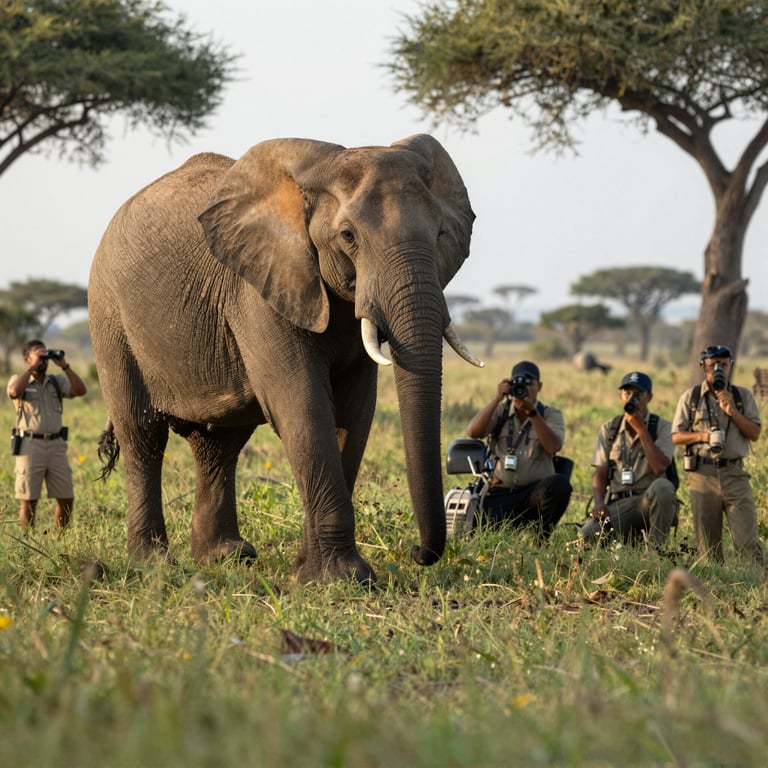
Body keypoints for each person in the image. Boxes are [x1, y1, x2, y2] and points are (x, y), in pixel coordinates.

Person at [671, 345, 764, 566]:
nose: (719, 368)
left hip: (735, 474)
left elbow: (755, 433)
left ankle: (758, 587)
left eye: (724, 363)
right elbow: (676, 436)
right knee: (708, 548)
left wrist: (732, 410)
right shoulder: (691, 397)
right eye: (713, 364)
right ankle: (715, 589)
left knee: (747, 542)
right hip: (702, 475)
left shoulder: (742, 396)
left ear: (730, 366)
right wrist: (702, 436)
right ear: (703, 366)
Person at [466, 360, 571, 539]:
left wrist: (532, 413)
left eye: (529, 382)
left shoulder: (550, 414)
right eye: (517, 382)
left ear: (540, 386)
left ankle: (541, 538)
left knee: (559, 485)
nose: (523, 387)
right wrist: (497, 398)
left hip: (534, 496)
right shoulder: (501, 411)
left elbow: (553, 446)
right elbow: (473, 432)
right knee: (478, 531)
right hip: (500, 492)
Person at [579, 371, 677, 547]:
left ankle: (656, 552)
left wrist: (641, 430)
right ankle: (627, 541)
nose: (632, 398)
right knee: (586, 537)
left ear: (650, 397)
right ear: (620, 396)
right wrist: (599, 503)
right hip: (619, 503)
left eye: (638, 394)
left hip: (648, 500)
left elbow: (660, 467)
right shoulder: (610, 429)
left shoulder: (662, 427)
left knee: (663, 486)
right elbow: (600, 474)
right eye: (627, 393)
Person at [7, 339, 87, 531]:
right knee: (29, 500)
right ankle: (27, 544)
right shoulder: (20, 380)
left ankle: (62, 540)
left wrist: (65, 366)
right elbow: (13, 392)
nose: (44, 360)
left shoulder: (56, 382)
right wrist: (32, 368)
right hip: (29, 445)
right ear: (27, 359)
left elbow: (80, 390)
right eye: (39, 356)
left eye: (46, 356)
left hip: (56, 445)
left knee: (66, 497)